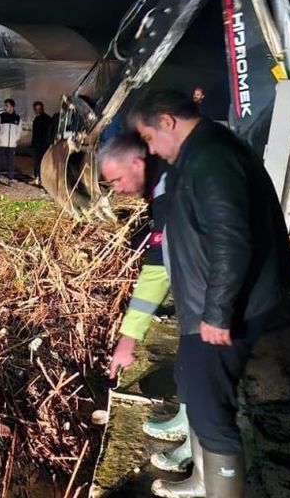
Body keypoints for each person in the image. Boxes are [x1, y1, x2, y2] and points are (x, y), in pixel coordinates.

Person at [128, 89, 290, 498]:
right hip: (210, 298)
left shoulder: (211, 157)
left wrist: (218, 313)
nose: (152, 149)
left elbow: (230, 238)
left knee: (209, 408)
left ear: (168, 121)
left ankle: (218, 488)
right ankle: (203, 483)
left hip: (228, 305)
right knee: (199, 395)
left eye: (150, 138)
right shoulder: (202, 153)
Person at [98, 134, 192, 474]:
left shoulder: (172, 188)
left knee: (206, 375)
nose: (118, 190)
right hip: (204, 289)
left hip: (224, 294)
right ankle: (185, 419)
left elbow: (157, 267)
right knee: (189, 364)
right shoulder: (166, 179)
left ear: (137, 163)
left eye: (117, 180)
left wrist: (128, 338)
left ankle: (204, 464)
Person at [0, 98, 21, 184]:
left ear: (12, 106)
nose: (5, 107)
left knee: (11, 163)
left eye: (7, 105)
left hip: (12, 145)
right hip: (1, 144)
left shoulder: (17, 118)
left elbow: (19, 130)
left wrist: (15, 139)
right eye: (5, 105)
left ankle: (10, 179)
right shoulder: (1, 116)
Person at [31, 101, 53, 185]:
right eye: (36, 109)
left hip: (41, 144)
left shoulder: (40, 119)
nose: (37, 111)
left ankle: (39, 178)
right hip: (42, 144)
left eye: (38, 109)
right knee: (41, 162)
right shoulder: (47, 119)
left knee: (38, 162)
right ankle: (40, 179)